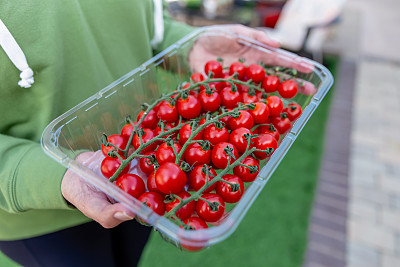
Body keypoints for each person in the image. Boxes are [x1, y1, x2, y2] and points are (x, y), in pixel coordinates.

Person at [0, 1, 289, 266]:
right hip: (38, 216)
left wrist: (188, 44)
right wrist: (53, 177)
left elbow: (149, 23)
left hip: (138, 169)